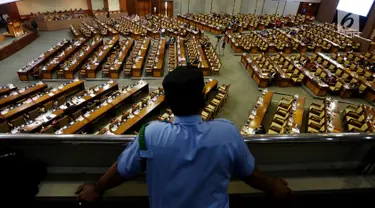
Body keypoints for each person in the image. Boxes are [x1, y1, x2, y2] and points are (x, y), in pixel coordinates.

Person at [75, 66, 292, 207]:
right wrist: (273, 186)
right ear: (203, 100)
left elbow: (123, 169)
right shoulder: (227, 132)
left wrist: (98, 187)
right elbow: (249, 173)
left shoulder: (150, 133)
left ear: (167, 104)